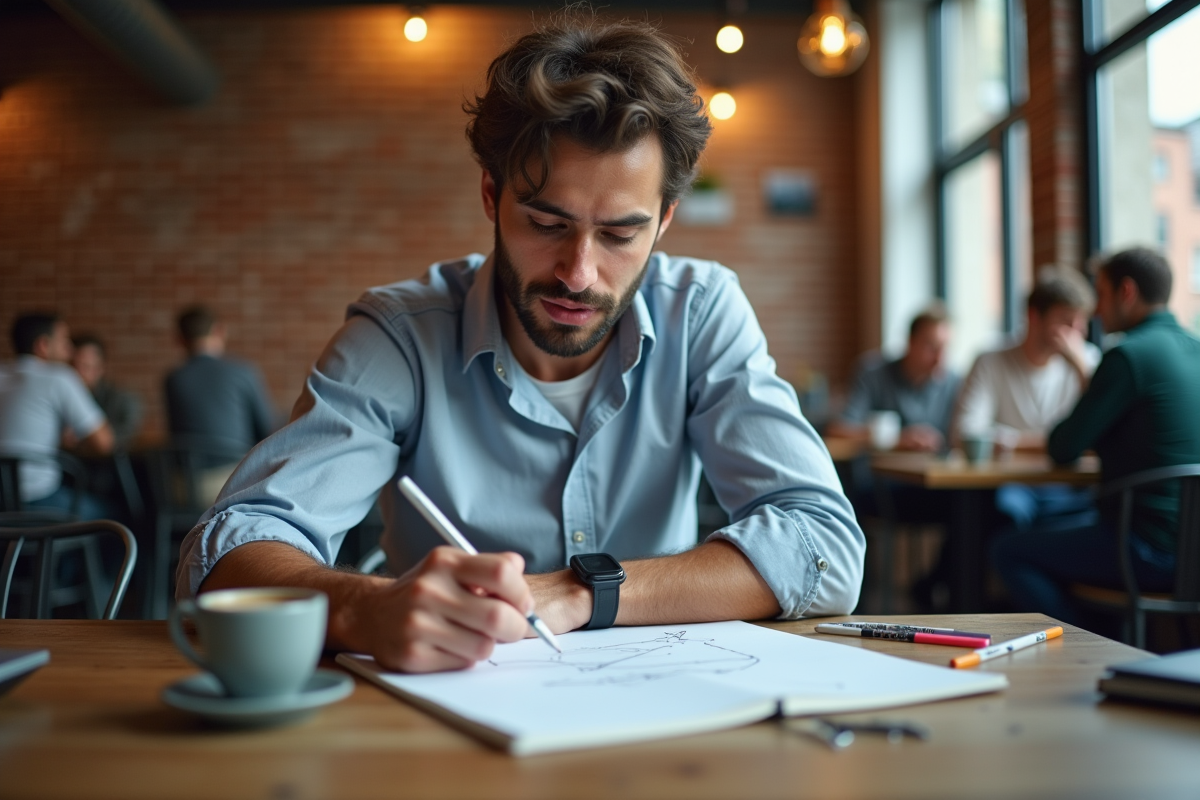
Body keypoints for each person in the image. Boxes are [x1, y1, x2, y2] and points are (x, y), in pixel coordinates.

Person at [178, 16, 864, 674]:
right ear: (490, 194)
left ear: (664, 223)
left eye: (621, 234)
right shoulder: (401, 336)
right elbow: (227, 550)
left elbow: (823, 546)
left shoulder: (703, 311)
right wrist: (367, 606)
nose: (578, 273)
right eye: (546, 222)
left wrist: (580, 591)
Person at [992, 247, 1200, 624]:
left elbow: (1063, 448)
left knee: (1008, 549)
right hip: (1193, 551)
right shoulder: (1196, 349)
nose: (1097, 312)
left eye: (1101, 295)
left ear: (1127, 292)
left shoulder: (1127, 357)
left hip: (1145, 549)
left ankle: (1085, 647)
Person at [953, 267, 1100, 530]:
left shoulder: (1087, 362)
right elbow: (965, 433)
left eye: (1081, 323)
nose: (1076, 334)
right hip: (1014, 486)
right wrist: (1057, 445)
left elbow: (1101, 435)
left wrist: (1080, 368)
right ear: (1034, 316)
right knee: (997, 512)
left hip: (1073, 486)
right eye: (1066, 322)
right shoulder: (991, 361)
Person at [0, 312, 114, 517]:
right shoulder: (59, 377)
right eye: (63, 341)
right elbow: (104, 443)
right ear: (43, 345)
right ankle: (53, 548)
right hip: (38, 501)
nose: (70, 350)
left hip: (2, 505)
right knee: (110, 516)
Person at [164, 305, 277, 500]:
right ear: (219, 331)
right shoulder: (243, 372)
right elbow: (267, 431)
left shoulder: (173, 380)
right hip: (234, 482)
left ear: (179, 339)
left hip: (184, 487)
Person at [828, 305, 959, 453]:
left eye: (945, 348)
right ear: (910, 342)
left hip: (934, 473)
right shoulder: (873, 374)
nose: (939, 358)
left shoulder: (954, 383)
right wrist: (892, 439)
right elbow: (839, 431)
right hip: (879, 474)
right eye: (931, 347)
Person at [72, 333, 144, 449]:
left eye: (86, 367)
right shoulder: (61, 398)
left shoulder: (122, 400)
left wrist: (84, 438)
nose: (78, 373)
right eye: (73, 366)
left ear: (100, 369)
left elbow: (126, 435)